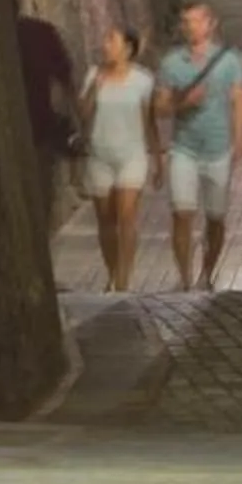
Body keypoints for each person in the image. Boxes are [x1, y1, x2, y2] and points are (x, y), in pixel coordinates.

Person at [154, 2, 242, 292]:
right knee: (181, 213)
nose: (190, 28)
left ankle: (207, 273)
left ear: (211, 24)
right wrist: (183, 102)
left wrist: (241, 138)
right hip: (184, 147)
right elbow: (159, 107)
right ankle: (184, 277)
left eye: (195, 22)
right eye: (185, 22)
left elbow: (240, 99)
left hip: (217, 147)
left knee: (216, 218)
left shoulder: (230, 60)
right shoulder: (173, 62)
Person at [79, 28, 155, 291]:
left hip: (131, 155)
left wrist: (157, 156)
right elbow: (83, 114)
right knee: (106, 221)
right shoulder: (93, 74)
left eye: (112, 40)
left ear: (128, 48)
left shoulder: (143, 80)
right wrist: (94, 87)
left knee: (126, 217)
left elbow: (149, 121)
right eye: (106, 39)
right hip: (100, 155)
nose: (105, 44)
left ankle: (124, 279)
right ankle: (112, 271)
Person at [15, 11, 81, 227]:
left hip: (39, 131)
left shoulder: (37, 32)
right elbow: (66, 79)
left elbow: (65, 78)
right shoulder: (40, 32)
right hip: (39, 130)